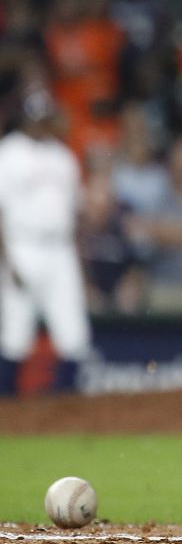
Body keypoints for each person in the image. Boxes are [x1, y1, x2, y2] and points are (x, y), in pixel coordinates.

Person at [0, 90, 91, 395]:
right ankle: (8, 411)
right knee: (14, 333)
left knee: (74, 334)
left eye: (44, 118)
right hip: (21, 246)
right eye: (34, 117)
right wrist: (7, 260)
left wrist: (78, 259)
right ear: (25, 118)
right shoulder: (8, 152)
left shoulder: (63, 156)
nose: (39, 124)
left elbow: (75, 214)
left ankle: (66, 411)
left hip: (60, 249)